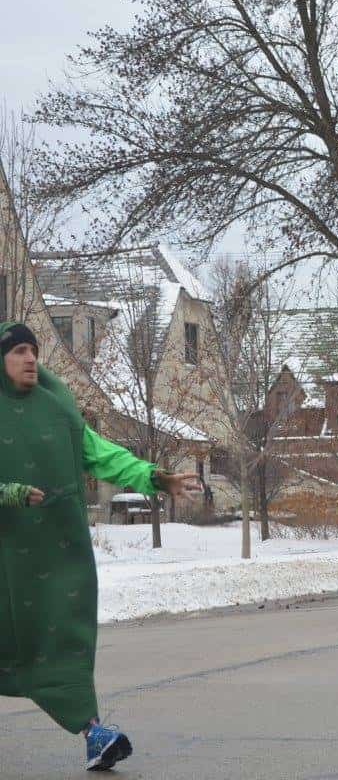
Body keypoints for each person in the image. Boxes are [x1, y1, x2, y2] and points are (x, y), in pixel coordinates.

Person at [0, 321, 201, 771]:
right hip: (4, 554)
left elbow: (103, 455)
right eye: (18, 352)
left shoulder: (58, 411)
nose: (30, 359)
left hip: (56, 554)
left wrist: (155, 478)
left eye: (33, 351)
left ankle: (93, 733)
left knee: (65, 637)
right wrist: (9, 493)